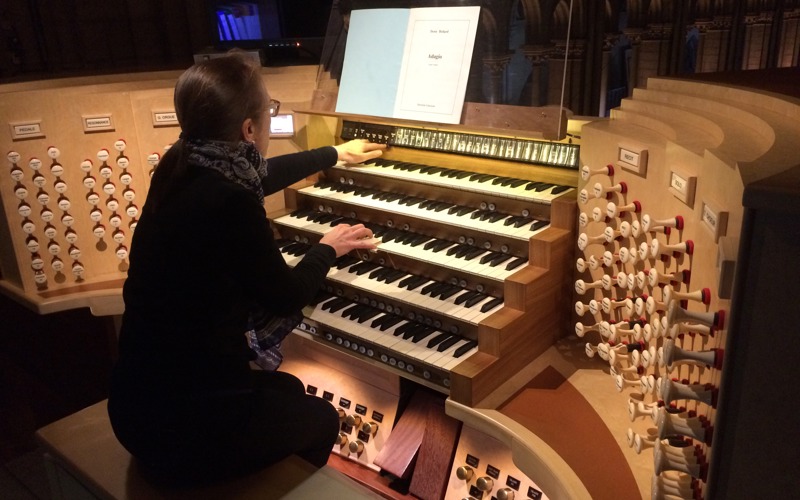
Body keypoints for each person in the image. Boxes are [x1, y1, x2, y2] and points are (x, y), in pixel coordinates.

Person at [107, 51, 386, 485]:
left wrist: (332, 153)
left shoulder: (181, 163)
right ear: (249, 129)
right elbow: (288, 295)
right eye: (268, 111)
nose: (270, 119)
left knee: (290, 390)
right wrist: (327, 248)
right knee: (322, 420)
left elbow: (260, 174)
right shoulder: (231, 203)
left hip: (135, 405)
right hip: (181, 428)